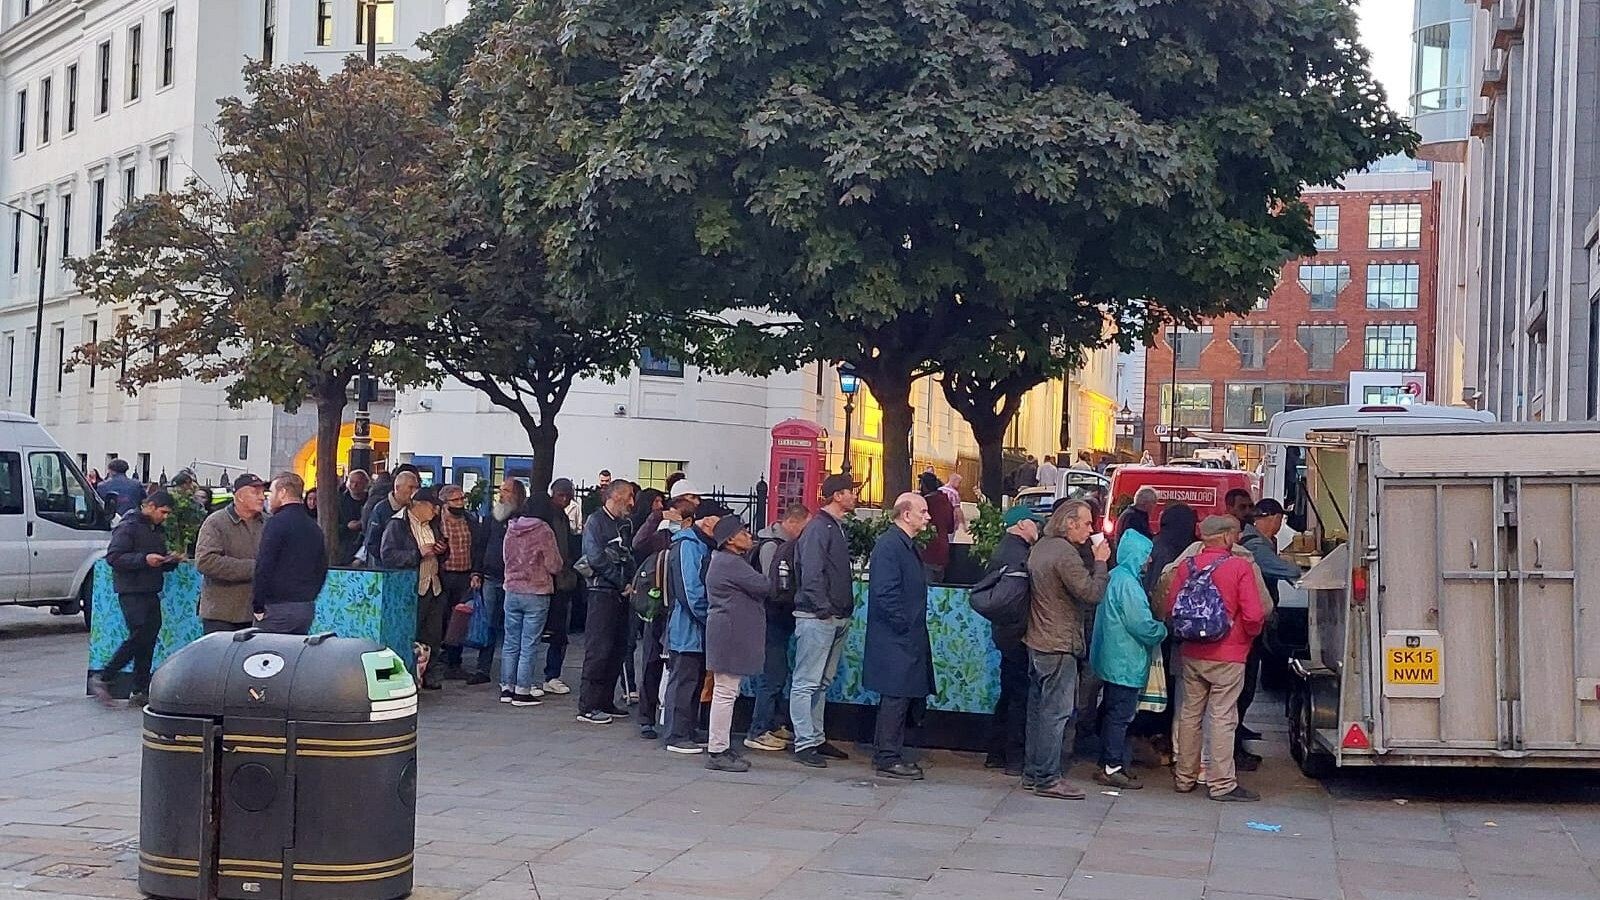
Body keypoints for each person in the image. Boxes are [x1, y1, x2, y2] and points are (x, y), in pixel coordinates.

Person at [1166, 516, 1266, 801]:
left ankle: (1185, 777)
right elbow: (1254, 614)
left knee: (1190, 714)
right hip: (1228, 655)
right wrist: (1246, 637)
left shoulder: (1186, 566)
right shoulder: (1239, 567)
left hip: (1192, 652)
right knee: (1223, 717)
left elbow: (1172, 607)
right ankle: (1222, 783)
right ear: (1225, 537)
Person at [1023, 499, 1111, 799]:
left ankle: (1033, 772)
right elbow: (1091, 592)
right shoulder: (1064, 553)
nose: (1090, 529)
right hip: (1058, 642)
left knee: (1038, 711)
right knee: (1056, 712)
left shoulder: (1042, 547)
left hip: (1037, 639)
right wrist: (1100, 562)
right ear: (1069, 523)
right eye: (1086, 523)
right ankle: (1048, 777)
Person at [789, 474, 858, 768]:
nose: (854, 496)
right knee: (807, 682)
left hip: (832, 616)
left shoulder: (832, 527)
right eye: (850, 491)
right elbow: (811, 571)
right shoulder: (819, 528)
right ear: (837, 495)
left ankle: (815, 737)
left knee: (821, 682)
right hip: (819, 618)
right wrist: (823, 608)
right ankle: (804, 742)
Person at [1089, 529, 1166, 789]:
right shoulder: (1129, 585)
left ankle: (1110, 763)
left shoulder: (1115, 576)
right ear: (1137, 555)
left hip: (1111, 657)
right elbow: (1141, 624)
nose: (1150, 560)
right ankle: (1112, 767)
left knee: (1112, 711)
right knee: (1120, 716)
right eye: (1146, 555)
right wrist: (1162, 630)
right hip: (1125, 659)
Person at [866, 492, 935, 780]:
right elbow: (885, 592)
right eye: (923, 511)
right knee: (895, 695)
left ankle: (888, 752)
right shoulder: (890, 545)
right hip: (896, 637)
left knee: (901, 695)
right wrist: (904, 625)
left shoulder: (903, 544)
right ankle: (887, 756)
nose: (928, 516)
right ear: (906, 514)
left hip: (904, 636)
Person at [91, 491, 183, 707]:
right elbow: (114, 557)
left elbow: (154, 559)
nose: (165, 517)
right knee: (141, 635)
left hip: (150, 588)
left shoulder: (155, 530)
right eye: (163, 512)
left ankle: (140, 688)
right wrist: (144, 559)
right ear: (150, 506)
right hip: (131, 590)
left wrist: (169, 561)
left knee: (148, 639)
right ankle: (105, 675)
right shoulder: (129, 527)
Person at [633, 481, 703, 739]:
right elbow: (638, 543)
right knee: (651, 662)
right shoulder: (661, 534)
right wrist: (657, 517)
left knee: (679, 668)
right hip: (658, 606)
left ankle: (681, 721)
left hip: (677, 609)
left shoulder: (692, 539)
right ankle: (646, 716)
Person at [703, 515, 770, 772]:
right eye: (743, 532)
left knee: (726, 691)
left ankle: (721, 745)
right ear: (730, 540)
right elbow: (763, 585)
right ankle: (718, 749)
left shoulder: (725, 561)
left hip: (727, 634)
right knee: (725, 692)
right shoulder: (730, 563)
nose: (748, 535)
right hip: (729, 635)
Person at [1235, 498, 1301, 746]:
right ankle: (1235, 738)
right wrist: (1299, 567)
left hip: (1252, 620)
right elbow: (1287, 571)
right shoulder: (1256, 546)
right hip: (1251, 622)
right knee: (1247, 680)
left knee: (1248, 679)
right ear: (1271, 518)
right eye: (1280, 519)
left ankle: (1238, 729)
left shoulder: (1262, 542)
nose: (1280, 524)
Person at [744, 503, 810, 752]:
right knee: (771, 676)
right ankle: (758, 729)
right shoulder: (772, 546)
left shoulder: (779, 543)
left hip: (777, 619)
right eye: (804, 526)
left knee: (778, 674)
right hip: (770, 619)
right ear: (792, 522)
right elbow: (771, 585)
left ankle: (772, 723)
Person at [982, 506, 1040, 775]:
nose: (1038, 527)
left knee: (1008, 693)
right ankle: (1014, 757)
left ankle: (996, 753)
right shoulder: (1019, 556)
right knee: (1019, 696)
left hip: (1004, 633)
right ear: (1022, 525)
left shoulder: (1004, 550)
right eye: (1034, 522)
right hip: (1017, 634)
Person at [576, 480, 636, 723]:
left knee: (617, 648)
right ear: (616, 496)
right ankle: (588, 705)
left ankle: (605, 701)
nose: (632, 502)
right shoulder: (595, 521)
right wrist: (621, 582)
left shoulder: (623, 524)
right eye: (629, 496)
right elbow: (595, 557)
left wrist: (630, 581)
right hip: (601, 591)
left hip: (619, 593)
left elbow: (629, 554)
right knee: (599, 649)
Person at [662, 509, 720, 752]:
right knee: (683, 680)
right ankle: (676, 734)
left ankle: (686, 729)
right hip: (686, 628)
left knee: (693, 680)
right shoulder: (689, 545)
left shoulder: (699, 545)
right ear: (707, 521)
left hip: (694, 628)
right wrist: (709, 617)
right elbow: (690, 591)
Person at [500, 494, 564, 705]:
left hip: (512, 590)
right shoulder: (544, 530)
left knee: (510, 642)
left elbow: (505, 558)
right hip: (536, 591)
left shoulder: (511, 528)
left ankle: (506, 688)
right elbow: (554, 564)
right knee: (529, 644)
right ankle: (522, 690)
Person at [382, 488, 448, 689]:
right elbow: (388, 555)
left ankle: (430, 674)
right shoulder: (397, 525)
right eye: (432, 507)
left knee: (433, 635)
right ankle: (408, 674)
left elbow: (441, 553)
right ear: (418, 505)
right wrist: (417, 553)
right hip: (411, 589)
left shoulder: (433, 525)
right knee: (411, 632)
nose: (435, 511)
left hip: (433, 586)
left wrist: (442, 551)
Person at [251, 473, 328, 635]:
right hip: (305, 607)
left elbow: (264, 565)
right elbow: (322, 566)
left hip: (277, 607)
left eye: (271, 492)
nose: (268, 497)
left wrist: (258, 605)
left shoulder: (276, 523)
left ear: (283, 492)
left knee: (267, 649)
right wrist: (310, 596)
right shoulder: (313, 526)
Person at [193, 474, 267, 634]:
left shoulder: (268, 523)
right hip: (221, 614)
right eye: (256, 492)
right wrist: (255, 568)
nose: (262, 497)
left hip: (258, 614)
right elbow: (206, 561)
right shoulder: (216, 522)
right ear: (239, 496)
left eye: (263, 492)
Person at [473, 479, 527, 686]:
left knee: (513, 627)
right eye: (501, 490)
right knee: (488, 624)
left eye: (507, 491)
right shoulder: (492, 518)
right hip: (491, 577)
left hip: (514, 581)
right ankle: (482, 668)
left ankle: (512, 672)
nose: (502, 494)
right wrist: (476, 571)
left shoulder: (525, 520)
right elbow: (481, 545)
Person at [436, 484, 487, 681]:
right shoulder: (437, 522)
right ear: (445, 502)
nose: (460, 503)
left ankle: (454, 662)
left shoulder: (470, 520)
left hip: (465, 575)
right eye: (455, 500)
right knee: (441, 618)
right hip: (443, 575)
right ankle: (438, 658)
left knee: (460, 620)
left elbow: (478, 548)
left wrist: (476, 572)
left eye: (461, 499)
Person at [542, 479, 580, 695]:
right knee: (549, 631)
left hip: (560, 580)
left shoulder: (561, 517)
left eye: (568, 496)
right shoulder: (551, 517)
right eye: (562, 495)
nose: (565, 500)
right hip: (552, 579)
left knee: (557, 633)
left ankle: (550, 675)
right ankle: (549, 675)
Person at [364, 470, 419, 566]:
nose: (415, 492)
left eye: (416, 487)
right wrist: (388, 560)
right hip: (384, 568)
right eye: (411, 487)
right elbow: (371, 542)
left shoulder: (416, 508)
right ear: (397, 487)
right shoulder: (381, 509)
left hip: (410, 566)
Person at [917, 471, 955, 583]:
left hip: (927, 552)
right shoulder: (946, 502)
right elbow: (950, 527)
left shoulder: (925, 504)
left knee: (926, 587)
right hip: (943, 552)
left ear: (924, 486)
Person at [337, 469, 371, 566]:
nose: (354, 485)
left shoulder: (370, 501)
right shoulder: (339, 501)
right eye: (351, 482)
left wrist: (363, 523)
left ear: (366, 484)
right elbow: (331, 526)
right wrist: (347, 526)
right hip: (343, 549)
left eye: (358, 483)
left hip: (364, 548)